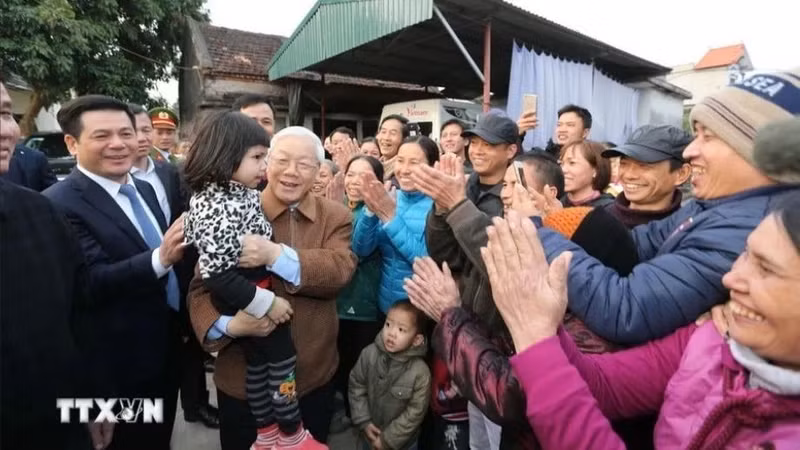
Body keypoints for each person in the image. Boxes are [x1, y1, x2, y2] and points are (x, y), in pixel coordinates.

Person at [483, 201, 800, 449]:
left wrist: (535, 339)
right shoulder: (713, 338)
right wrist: (547, 326)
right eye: (745, 255)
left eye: (767, 269)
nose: (731, 278)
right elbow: (605, 386)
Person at [187, 126, 358, 449]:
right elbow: (199, 288)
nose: (291, 172)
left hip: (311, 380)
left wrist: (275, 255)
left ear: (319, 170)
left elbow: (340, 269)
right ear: (265, 162)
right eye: (281, 160)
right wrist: (229, 326)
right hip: (242, 383)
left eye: (305, 164)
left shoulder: (335, 216)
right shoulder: (233, 207)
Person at [43, 95, 187, 449]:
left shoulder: (143, 190)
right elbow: (87, 284)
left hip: (163, 352)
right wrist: (161, 259)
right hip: (112, 373)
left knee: (157, 438)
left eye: (126, 133)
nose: (119, 144)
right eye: (102, 135)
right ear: (72, 143)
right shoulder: (55, 204)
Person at [0, 80, 113, 450]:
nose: (7, 130)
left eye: (6, 113)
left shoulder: (40, 213)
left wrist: (95, 404)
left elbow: (81, 319)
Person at [410, 113, 518, 450]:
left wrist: (457, 205)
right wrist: (443, 207)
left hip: (502, 335)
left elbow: (498, 258)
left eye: (490, 144)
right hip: (467, 321)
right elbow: (444, 252)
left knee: (500, 428)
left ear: (511, 150)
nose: (478, 150)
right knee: (478, 433)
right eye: (475, 142)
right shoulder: (464, 184)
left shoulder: (517, 194)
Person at [130, 104, 220, 429]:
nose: (149, 137)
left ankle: (195, 404)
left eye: (167, 131)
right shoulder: (118, 180)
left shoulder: (170, 172)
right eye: (140, 130)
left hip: (180, 275)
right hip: (140, 280)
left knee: (190, 345)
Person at [351, 136, 437, 315]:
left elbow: (426, 264)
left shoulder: (439, 206)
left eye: (414, 162)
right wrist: (371, 210)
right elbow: (361, 250)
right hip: (385, 307)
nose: (404, 170)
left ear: (432, 166)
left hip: (418, 311)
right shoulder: (390, 195)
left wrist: (391, 218)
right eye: (400, 161)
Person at [332, 155, 385, 431]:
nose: (354, 182)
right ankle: (346, 407)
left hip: (365, 303)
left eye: (364, 176)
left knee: (360, 363)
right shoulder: (336, 206)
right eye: (351, 174)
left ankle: (359, 415)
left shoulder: (378, 212)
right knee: (338, 358)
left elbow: (360, 250)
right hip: (337, 301)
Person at [349, 301, 432, 450]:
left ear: (416, 340)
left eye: (401, 329)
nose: (392, 333)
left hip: (403, 444)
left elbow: (415, 413)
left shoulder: (420, 372)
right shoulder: (369, 354)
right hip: (369, 435)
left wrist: (388, 439)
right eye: (388, 325)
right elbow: (356, 385)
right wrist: (364, 421)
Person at [601, 125, 691, 228]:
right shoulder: (594, 221)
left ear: (681, 174)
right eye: (624, 164)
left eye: (644, 166)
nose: (629, 175)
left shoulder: (688, 230)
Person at [559, 140, 614, 207]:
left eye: (572, 163)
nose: (563, 170)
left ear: (596, 170)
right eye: (561, 163)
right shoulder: (557, 205)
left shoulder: (609, 210)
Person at [377, 114, 410, 182]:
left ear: (404, 139)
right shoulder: (375, 165)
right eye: (383, 132)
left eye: (393, 133)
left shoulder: (404, 172)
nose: (386, 138)